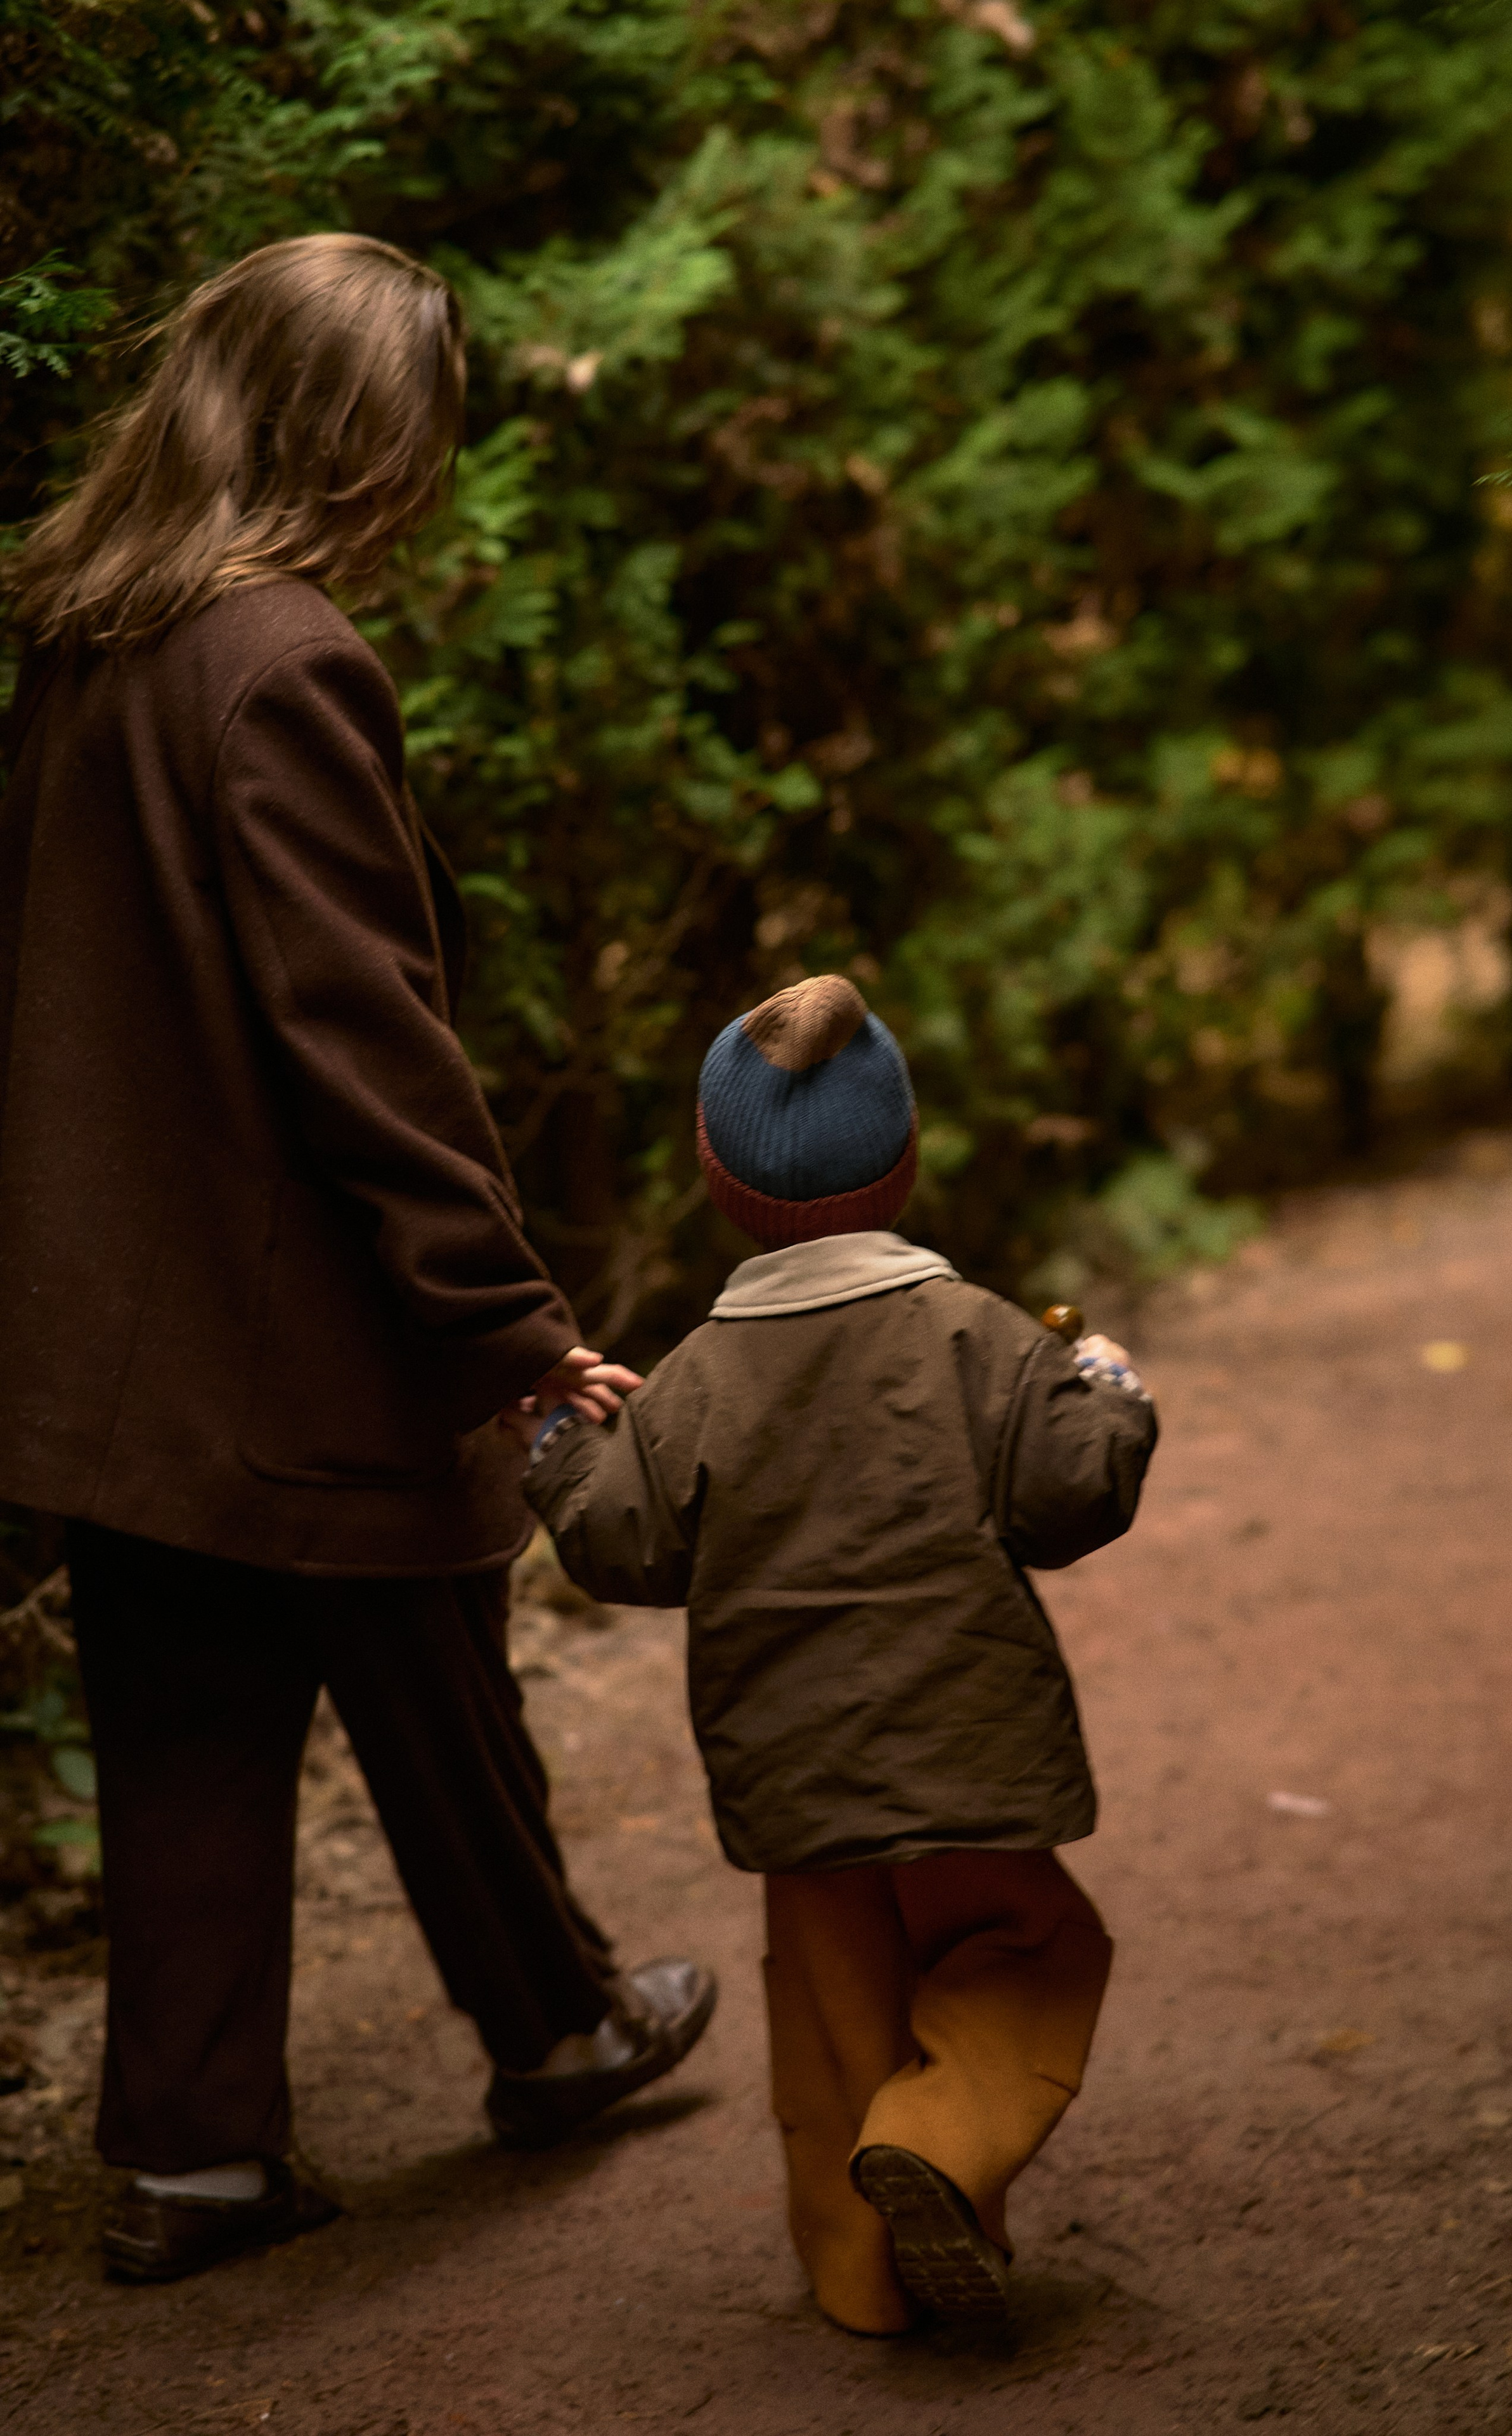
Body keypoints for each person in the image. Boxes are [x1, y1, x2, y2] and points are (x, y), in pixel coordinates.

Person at [0, 234, 714, 2285]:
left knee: (191, 1725)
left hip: (123, 1351)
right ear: (353, 438)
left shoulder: (88, 634)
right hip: (296, 1323)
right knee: (429, 1657)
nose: (429, 474)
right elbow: (363, 1035)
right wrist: (506, 1322)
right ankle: (560, 2025)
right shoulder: (285, 658)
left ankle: (201, 2160)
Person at [522, 974, 1156, 2333]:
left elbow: (618, 1543)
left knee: (828, 2023)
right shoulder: (976, 1335)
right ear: (906, 1155)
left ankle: (865, 2278)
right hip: (964, 1747)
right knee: (1028, 1945)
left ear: (718, 1183)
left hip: (788, 1770)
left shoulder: (691, 1379)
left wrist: (554, 1442)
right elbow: (1068, 1497)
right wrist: (1104, 1386)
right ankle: (938, 2142)